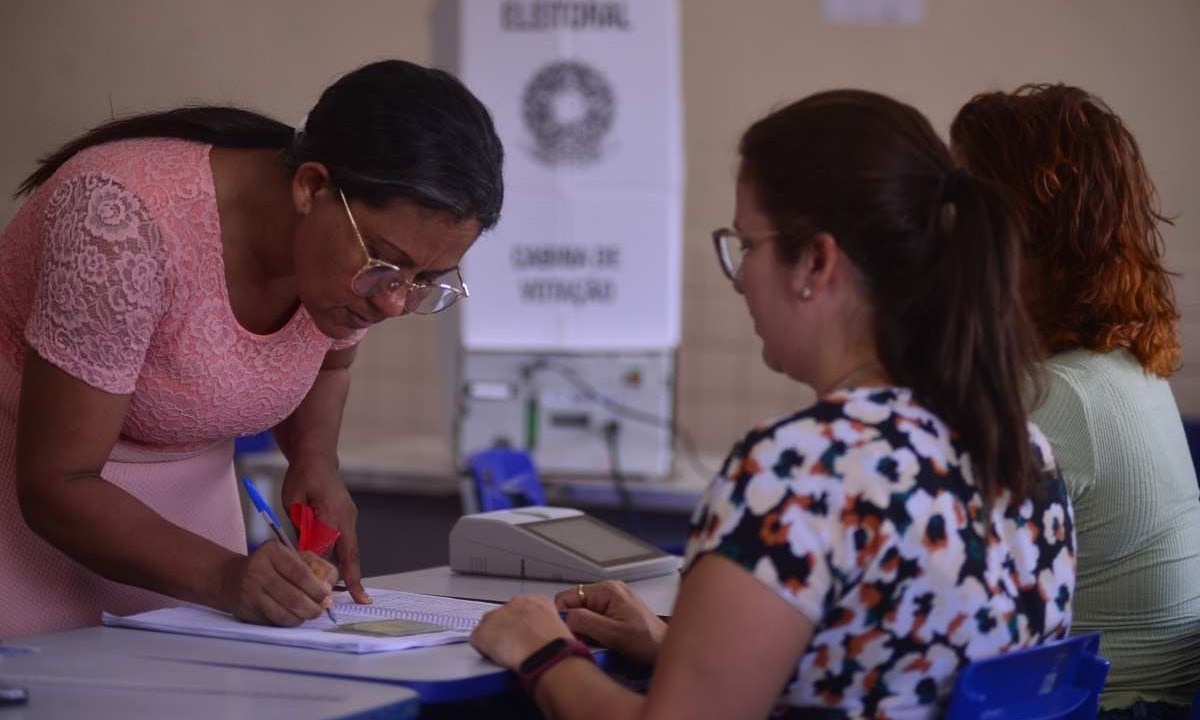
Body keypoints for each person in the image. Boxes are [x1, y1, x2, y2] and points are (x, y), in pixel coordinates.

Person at [469, 90, 1076, 719]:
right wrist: (671, 645)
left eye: (747, 246)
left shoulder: (801, 467)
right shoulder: (1023, 450)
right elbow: (882, 670)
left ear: (815, 260)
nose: (740, 280)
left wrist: (541, 651)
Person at [0, 59, 503, 636]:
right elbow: (54, 485)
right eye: (389, 266)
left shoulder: (348, 266)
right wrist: (225, 577)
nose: (394, 302)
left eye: (427, 280)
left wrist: (315, 461)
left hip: (189, 537)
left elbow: (330, 356)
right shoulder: (120, 220)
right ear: (310, 187)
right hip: (26, 522)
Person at [951, 84, 1200, 718]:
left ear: (1023, 229)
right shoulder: (1120, 364)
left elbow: (944, 604)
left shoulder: (1064, 397)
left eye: (962, 203)